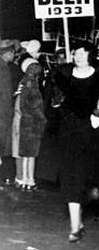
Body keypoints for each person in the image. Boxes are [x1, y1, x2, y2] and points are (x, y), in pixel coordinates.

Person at [53, 41, 99, 242]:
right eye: (76, 53)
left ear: (90, 56)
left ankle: (81, 214)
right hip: (70, 133)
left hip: (91, 134)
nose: (78, 57)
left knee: (87, 179)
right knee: (71, 176)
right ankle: (75, 226)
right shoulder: (63, 75)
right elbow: (56, 101)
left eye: (83, 54)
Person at [11, 58, 46, 190]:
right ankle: (28, 179)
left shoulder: (23, 84)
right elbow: (35, 107)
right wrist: (43, 120)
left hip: (23, 122)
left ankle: (25, 178)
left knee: (26, 153)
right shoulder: (33, 86)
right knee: (30, 154)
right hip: (31, 123)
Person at [0, 40, 15, 186]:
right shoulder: (3, 69)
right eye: (13, 52)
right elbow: (5, 94)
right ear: (7, 53)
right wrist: (8, 115)